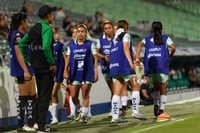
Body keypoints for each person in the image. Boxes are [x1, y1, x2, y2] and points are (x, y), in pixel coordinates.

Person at [19, 5, 57, 132]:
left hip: (36, 67)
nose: (53, 16)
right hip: (46, 68)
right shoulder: (47, 29)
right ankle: (42, 127)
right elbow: (46, 47)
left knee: (40, 96)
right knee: (45, 97)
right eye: (51, 14)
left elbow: (22, 44)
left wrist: (28, 60)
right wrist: (52, 63)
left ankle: (36, 123)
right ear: (48, 16)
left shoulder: (33, 29)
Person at [136, 21, 176, 120]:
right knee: (163, 89)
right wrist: (170, 55)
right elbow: (173, 48)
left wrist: (137, 57)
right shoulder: (166, 38)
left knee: (156, 88)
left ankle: (155, 105)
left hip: (151, 67)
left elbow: (140, 45)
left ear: (152, 30)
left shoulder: (147, 38)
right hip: (162, 66)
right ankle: (161, 109)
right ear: (161, 29)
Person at [109, 19, 146, 123]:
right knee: (136, 87)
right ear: (126, 26)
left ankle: (115, 116)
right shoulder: (126, 35)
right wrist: (131, 63)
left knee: (116, 93)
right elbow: (126, 49)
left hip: (114, 67)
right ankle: (135, 112)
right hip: (124, 66)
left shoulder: (114, 39)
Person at [63, 24, 98, 123]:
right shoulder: (71, 45)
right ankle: (79, 110)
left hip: (87, 72)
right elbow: (68, 59)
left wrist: (96, 72)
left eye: (82, 31)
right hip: (75, 73)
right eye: (78, 31)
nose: (80, 33)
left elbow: (95, 59)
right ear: (76, 33)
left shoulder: (90, 44)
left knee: (85, 95)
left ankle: (84, 114)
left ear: (86, 33)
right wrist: (65, 70)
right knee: (73, 96)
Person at [8, 12, 36, 131]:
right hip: (21, 70)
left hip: (28, 68)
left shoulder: (21, 34)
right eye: (27, 21)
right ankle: (20, 125)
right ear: (22, 23)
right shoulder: (17, 35)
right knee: (24, 97)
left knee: (32, 96)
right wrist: (25, 70)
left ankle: (31, 122)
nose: (28, 23)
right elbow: (18, 53)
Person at [49, 27, 66, 124]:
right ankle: (53, 117)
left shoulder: (59, 45)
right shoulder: (45, 46)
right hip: (49, 72)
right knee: (49, 95)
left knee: (53, 93)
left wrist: (65, 71)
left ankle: (55, 117)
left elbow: (64, 58)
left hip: (59, 71)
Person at [97, 21, 114, 111]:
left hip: (116, 67)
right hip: (106, 68)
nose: (108, 30)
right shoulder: (101, 41)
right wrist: (104, 57)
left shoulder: (116, 40)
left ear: (113, 28)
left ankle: (115, 108)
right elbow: (96, 53)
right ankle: (115, 108)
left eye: (109, 28)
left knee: (115, 89)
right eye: (106, 29)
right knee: (113, 89)